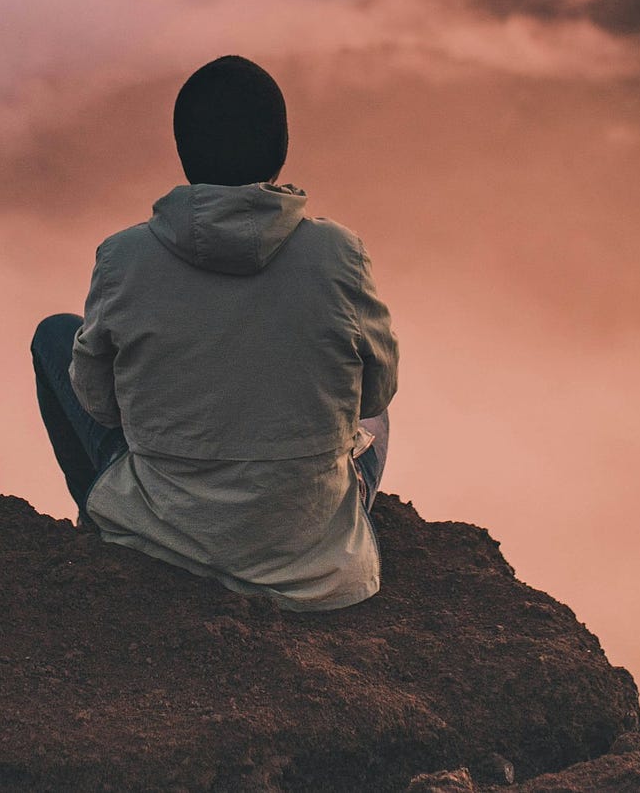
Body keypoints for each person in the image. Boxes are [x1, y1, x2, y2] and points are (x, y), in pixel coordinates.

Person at [30, 55, 397, 610]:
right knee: (376, 418)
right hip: (311, 556)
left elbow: (100, 406)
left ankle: (103, 524)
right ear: (280, 153)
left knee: (55, 336)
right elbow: (374, 394)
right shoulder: (339, 254)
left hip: (163, 531)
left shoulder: (123, 257)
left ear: (185, 154)